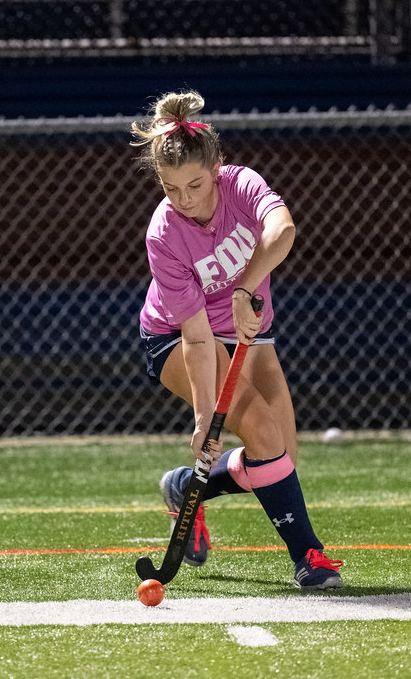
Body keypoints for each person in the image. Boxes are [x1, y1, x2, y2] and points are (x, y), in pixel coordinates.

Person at [131, 90, 343, 591]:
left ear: (217, 167)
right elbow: (198, 339)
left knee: (280, 454)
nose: (184, 199)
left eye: (195, 185)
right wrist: (206, 420)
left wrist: (246, 287)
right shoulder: (163, 234)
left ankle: (188, 488)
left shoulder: (242, 185)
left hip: (247, 323)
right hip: (177, 336)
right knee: (264, 438)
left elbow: (282, 229)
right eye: (170, 187)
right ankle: (309, 559)